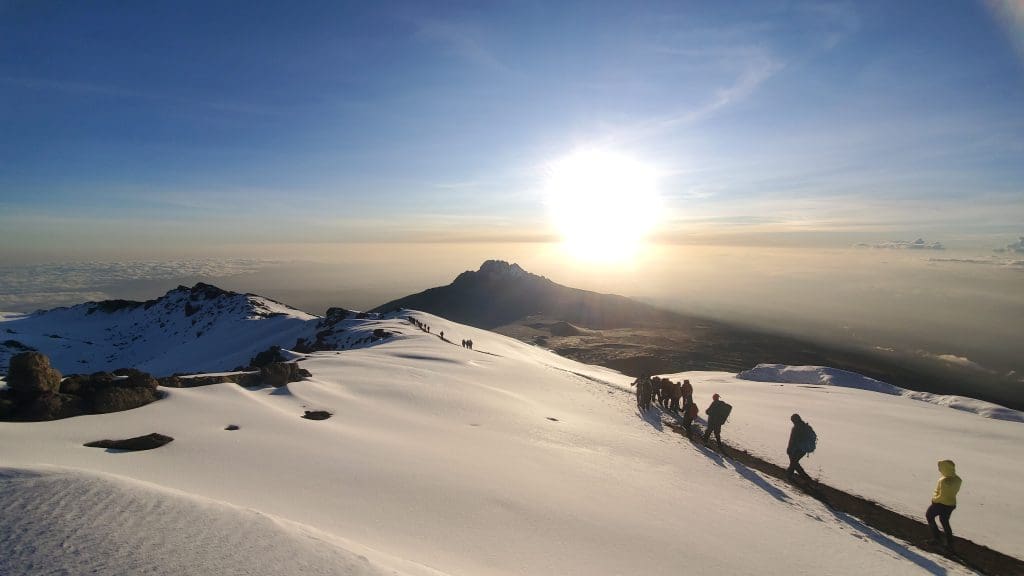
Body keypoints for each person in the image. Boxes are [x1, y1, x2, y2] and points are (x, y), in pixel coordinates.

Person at [926, 460, 962, 552]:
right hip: (951, 504)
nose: (939, 470)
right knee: (945, 522)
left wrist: (934, 500)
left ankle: (936, 538)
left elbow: (941, 496)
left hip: (940, 504)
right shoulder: (958, 479)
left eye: (940, 468)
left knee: (929, 516)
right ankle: (950, 543)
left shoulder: (944, 481)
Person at [786, 414, 816, 482]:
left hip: (797, 449)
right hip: (804, 449)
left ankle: (807, 479)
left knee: (794, 463)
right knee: (794, 462)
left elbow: (792, 440)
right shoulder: (805, 426)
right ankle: (789, 475)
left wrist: (789, 449)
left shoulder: (796, 428)